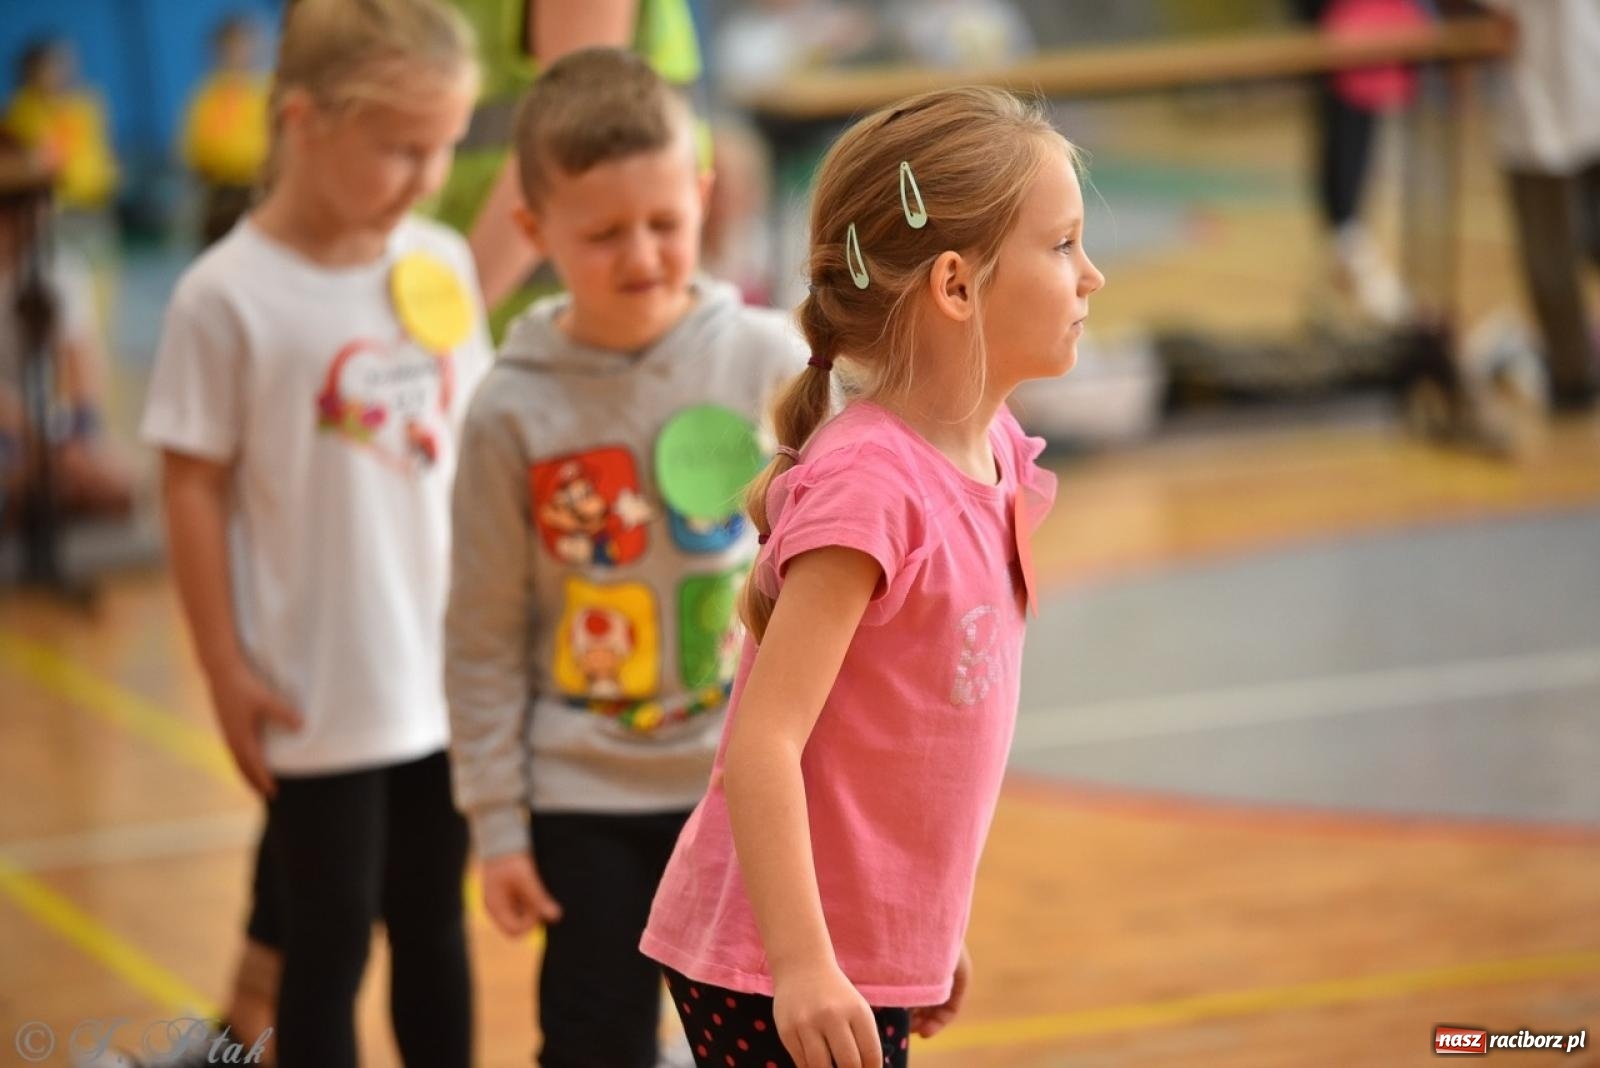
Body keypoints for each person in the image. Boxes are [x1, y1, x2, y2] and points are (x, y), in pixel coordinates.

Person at [640, 85, 1103, 1068]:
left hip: (858, 952)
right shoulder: (871, 486)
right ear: (955, 286)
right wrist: (805, 964)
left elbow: (899, 739)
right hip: (771, 965)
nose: (1090, 275)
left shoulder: (996, 451)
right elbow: (764, 743)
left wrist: (924, 927)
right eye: (1061, 245)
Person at [139, 1, 491, 1065]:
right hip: (317, 690)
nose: (428, 177)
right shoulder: (225, 297)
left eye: (444, 148)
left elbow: (468, 459)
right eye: (401, 148)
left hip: (447, 677)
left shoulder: (439, 262)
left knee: (436, 926)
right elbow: (191, 487)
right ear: (304, 120)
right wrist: (222, 667)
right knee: (327, 944)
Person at [444, 47, 806, 1068]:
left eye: (664, 222)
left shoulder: (772, 362)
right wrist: (499, 824)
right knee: (593, 1045)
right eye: (602, 234)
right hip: (581, 802)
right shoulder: (510, 408)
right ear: (533, 231)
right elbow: (479, 632)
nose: (642, 254)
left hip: (746, 797)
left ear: (702, 195)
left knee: (768, 1041)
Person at [1479, 0, 1600, 414]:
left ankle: (1573, 376)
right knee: (1554, 256)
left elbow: (1499, 25)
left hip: (1555, 100)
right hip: (1549, 101)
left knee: (1550, 256)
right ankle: (1573, 374)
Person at [180, 13, 271, 247]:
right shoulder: (208, 96)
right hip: (221, 195)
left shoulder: (267, 91)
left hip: (261, 192)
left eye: (244, 45)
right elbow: (196, 149)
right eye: (232, 46)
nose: (239, 53)